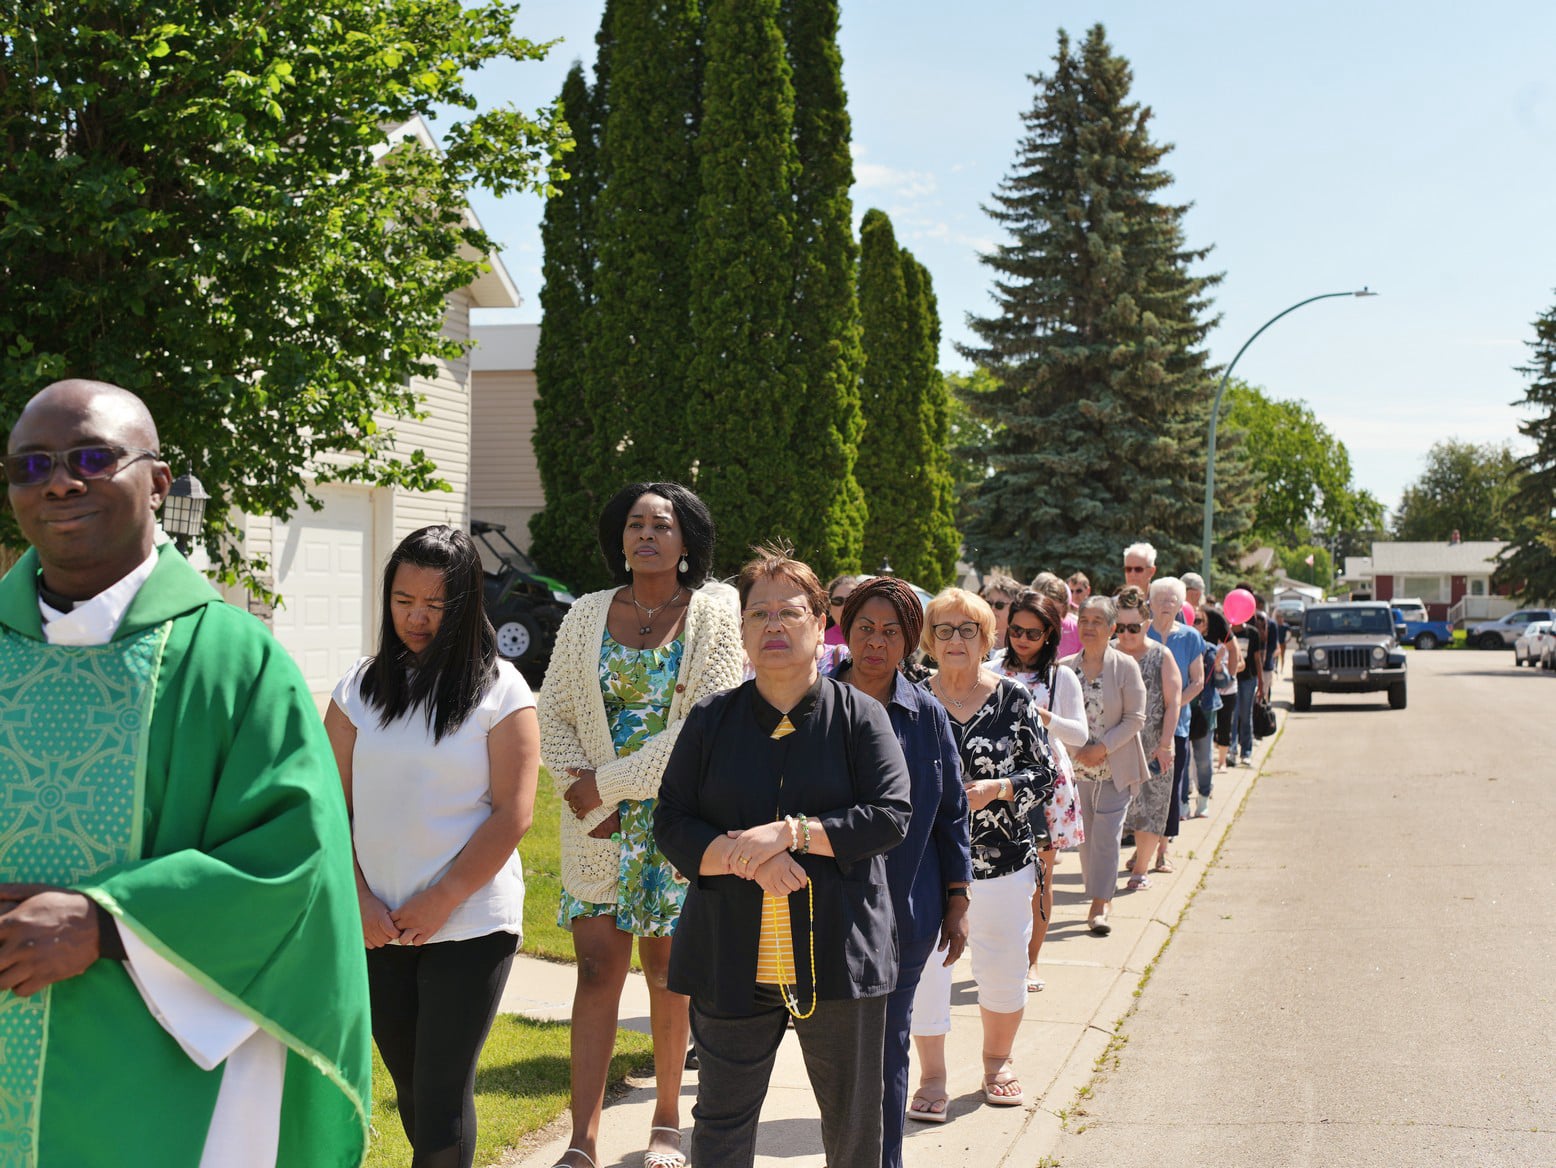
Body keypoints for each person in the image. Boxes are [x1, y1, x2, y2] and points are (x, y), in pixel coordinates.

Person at [0, 380, 370, 1167]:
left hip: (169, 1054)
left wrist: (107, 925)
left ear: (160, 483)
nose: (59, 481)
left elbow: (293, 864)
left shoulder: (233, 660)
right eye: (31, 466)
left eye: (91, 458)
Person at [654, 544, 911, 1168]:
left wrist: (790, 833)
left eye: (788, 613)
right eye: (758, 614)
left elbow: (890, 814)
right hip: (731, 953)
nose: (773, 626)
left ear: (819, 622)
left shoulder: (860, 716)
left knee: (855, 1127)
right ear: (741, 629)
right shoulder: (712, 719)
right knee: (719, 1125)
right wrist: (750, 856)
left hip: (837, 957)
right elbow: (673, 821)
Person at [538, 483, 744, 1168]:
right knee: (597, 970)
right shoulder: (587, 614)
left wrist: (609, 787)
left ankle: (664, 1123)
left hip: (677, 822)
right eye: (635, 524)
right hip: (594, 826)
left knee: (667, 972)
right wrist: (583, 794)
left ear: (688, 543)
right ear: (619, 540)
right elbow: (555, 712)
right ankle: (583, 1139)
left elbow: (702, 727)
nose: (647, 534)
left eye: (663, 524)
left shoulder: (714, 617)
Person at [326, 525, 540, 1168]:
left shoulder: (501, 689)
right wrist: (359, 898)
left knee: (443, 1095)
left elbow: (514, 814)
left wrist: (443, 898)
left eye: (434, 604)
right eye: (402, 600)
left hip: (470, 921)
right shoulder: (358, 688)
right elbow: (330, 809)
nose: (416, 617)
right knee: (413, 1093)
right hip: (378, 925)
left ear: (465, 603)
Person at [831, 577, 972, 1156]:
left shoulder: (927, 716)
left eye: (891, 632)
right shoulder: (813, 703)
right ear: (846, 631)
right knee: (838, 1054)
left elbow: (951, 810)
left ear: (910, 642)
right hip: (826, 910)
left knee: (888, 1045)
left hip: (907, 911)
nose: (875, 642)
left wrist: (958, 899)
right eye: (865, 628)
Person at [910, 589, 1055, 1114]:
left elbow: (1045, 775)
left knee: (1003, 962)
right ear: (928, 639)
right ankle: (931, 1079)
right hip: (928, 864)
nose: (955, 640)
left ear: (985, 638)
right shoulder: (909, 698)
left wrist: (997, 788)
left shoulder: (1013, 698)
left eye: (967, 630)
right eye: (944, 630)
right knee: (927, 969)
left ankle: (998, 1064)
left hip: (1002, 861)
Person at [989, 589, 1086, 992]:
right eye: (1015, 630)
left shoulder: (1060, 676)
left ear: (1048, 634)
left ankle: (1031, 961)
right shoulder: (992, 667)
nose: (1022, 639)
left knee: (1039, 877)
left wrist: (1042, 717)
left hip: (1045, 785)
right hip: (994, 782)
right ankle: (995, 956)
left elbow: (1080, 733)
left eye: (1032, 632)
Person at [1059, 595, 1149, 935]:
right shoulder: (1065, 668)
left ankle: (1100, 904)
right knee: (1085, 837)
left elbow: (1135, 718)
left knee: (1107, 837)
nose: (1089, 626)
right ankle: (1096, 891)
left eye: (1098, 621)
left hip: (1114, 767)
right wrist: (1077, 747)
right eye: (1084, 619)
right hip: (1076, 767)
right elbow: (1058, 716)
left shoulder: (1125, 666)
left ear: (1112, 628)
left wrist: (1103, 748)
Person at [1115, 587, 1182, 890]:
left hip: (1154, 745)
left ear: (1146, 624)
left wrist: (1166, 744)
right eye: (1121, 627)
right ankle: (1119, 864)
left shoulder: (1160, 654)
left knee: (1151, 807)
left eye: (1133, 627)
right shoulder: (1110, 654)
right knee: (1118, 809)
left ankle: (1140, 869)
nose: (1126, 634)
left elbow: (1174, 701)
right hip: (1115, 747)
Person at [1146, 577, 1205, 855]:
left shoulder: (1191, 637)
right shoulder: (1142, 634)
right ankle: (1142, 847)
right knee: (1142, 789)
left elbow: (1198, 681)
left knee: (1169, 787)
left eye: (1172, 599)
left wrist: (1173, 706)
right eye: (1160, 599)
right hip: (1142, 725)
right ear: (1151, 603)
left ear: (1181, 604)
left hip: (1177, 726)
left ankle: (1163, 850)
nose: (1166, 604)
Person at [1227, 585, 1267, 767]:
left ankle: (1247, 751)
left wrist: (1261, 682)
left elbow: (1257, 658)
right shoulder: (1226, 632)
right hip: (1231, 678)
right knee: (1232, 716)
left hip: (1248, 678)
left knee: (1246, 714)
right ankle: (1231, 750)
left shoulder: (1252, 632)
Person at [1031, 571, 1082, 657]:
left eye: (1056, 612)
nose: (1050, 617)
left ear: (1064, 607)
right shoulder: (1025, 626)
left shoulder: (1077, 628)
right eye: (1045, 610)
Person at [979, 572, 1022, 649]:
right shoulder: (976, 636)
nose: (992, 608)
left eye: (999, 605)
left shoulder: (1024, 640)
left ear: (1015, 607)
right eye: (989, 603)